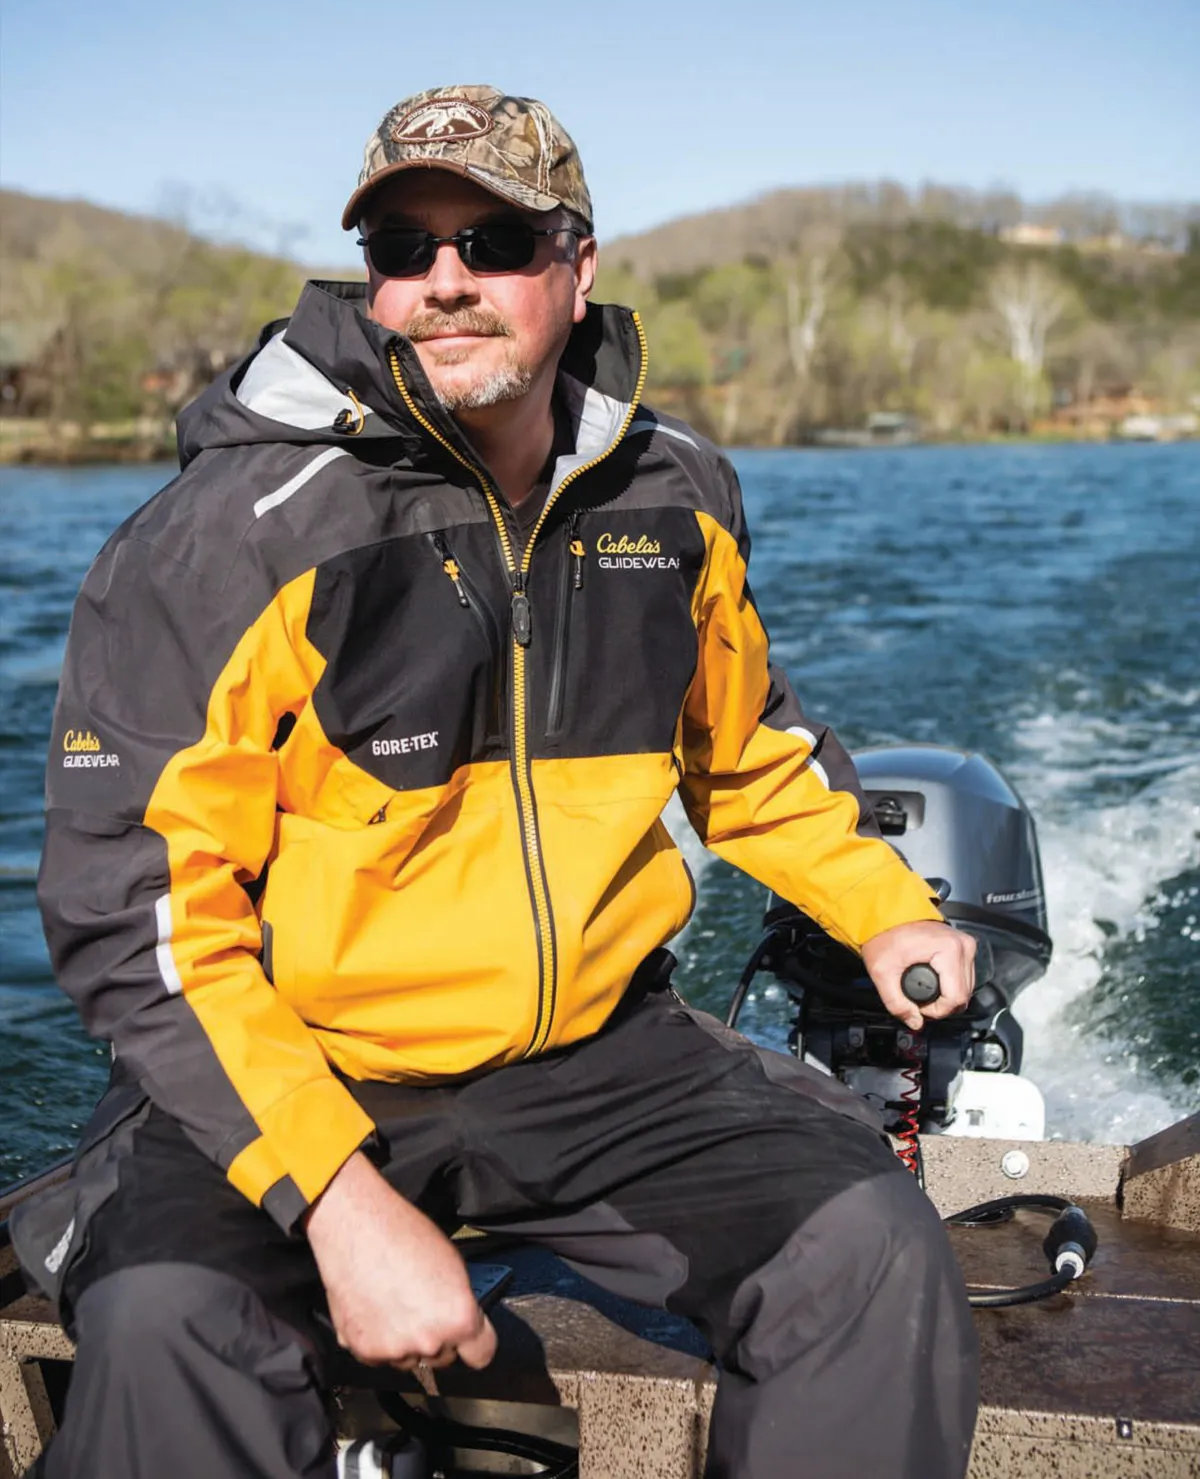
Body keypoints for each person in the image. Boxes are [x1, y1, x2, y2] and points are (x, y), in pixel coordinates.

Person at [14, 85, 979, 1479]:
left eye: (498, 241)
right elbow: (133, 915)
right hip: (306, 1059)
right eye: (404, 247)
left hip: (600, 1057)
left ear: (579, 270)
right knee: (170, 1325)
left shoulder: (677, 495)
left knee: (873, 1251)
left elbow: (747, 756)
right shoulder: (222, 539)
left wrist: (885, 912)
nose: (447, 279)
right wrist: (339, 1204)